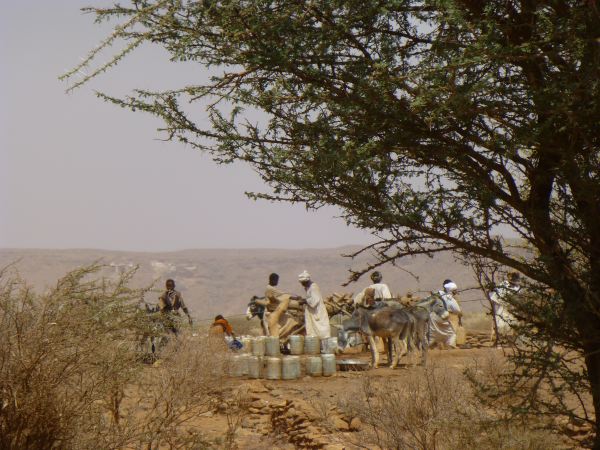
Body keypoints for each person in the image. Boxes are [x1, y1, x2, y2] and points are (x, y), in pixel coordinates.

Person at [255, 273, 301, 337]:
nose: (277, 282)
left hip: (272, 310)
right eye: (276, 280)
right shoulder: (270, 289)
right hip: (271, 312)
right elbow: (282, 294)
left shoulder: (270, 288)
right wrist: (295, 298)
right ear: (272, 280)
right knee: (289, 320)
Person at [429, 279, 463, 349]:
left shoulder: (437, 293)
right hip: (443, 317)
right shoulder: (451, 298)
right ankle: (450, 346)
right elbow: (457, 311)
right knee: (451, 334)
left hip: (432, 318)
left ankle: (425, 347)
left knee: (432, 334)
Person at [489, 272, 521, 342]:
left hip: (514, 309)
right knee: (500, 324)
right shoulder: (504, 285)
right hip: (504, 309)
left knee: (513, 324)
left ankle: (511, 340)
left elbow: (519, 298)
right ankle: (500, 339)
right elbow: (496, 296)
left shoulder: (518, 287)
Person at [298, 270, 331, 339]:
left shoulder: (313, 287)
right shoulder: (309, 287)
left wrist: (304, 301)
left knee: (322, 330)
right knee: (313, 332)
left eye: (302, 283)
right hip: (312, 312)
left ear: (305, 281)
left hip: (317, 312)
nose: (302, 285)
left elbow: (314, 301)